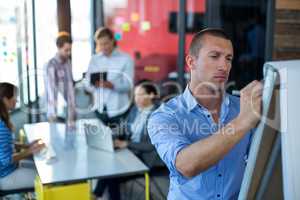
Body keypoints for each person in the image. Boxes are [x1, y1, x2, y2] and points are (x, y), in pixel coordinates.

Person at [147, 28, 263, 199]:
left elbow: (263, 163)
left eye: (228, 58)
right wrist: (242, 122)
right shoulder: (164, 116)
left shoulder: (243, 107)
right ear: (191, 62)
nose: (224, 66)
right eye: (214, 56)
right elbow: (185, 165)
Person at [94, 80, 163, 200]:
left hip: (145, 159)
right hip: (131, 152)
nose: (136, 98)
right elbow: (124, 127)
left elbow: (150, 146)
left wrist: (126, 143)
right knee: (106, 165)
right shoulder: (135, 109)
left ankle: (96, 195)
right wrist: (110, 133)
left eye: (140, 95)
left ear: (151, 95)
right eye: (135, 95)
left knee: (112, 176)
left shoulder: (159, 116)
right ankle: (96, 195)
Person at [85, 27, 134, 126]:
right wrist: (94, 84)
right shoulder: (94, 60)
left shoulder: (126, 59)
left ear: (112, 40)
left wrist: (111, 85)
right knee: (100, 140)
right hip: (99, 109)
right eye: (100, 44)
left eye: (106, 43)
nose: (104, 47)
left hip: (119, 109)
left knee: (117, 140)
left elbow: (129, 85)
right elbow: (87, 85)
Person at [0, 82, 45, 190]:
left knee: (39, 168)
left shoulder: (3, 120)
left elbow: (7, 144)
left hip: (10, 168)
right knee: (45, 179)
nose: (17, 101)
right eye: (15, 98)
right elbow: (6, 160)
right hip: (6, 176)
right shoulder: (1, 126)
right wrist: (30, 151)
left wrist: (26, 146)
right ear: (6, 100)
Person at [44, 32, 76, 126]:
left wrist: (72, 111)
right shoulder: (51, 65)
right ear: (58, 47)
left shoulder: (68, 63)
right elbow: (52, 90)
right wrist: (53, 114)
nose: (69, 53)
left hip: (68, 112)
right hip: (55, 113)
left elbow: (70, 87)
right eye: (66, 50)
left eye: (70, 50)